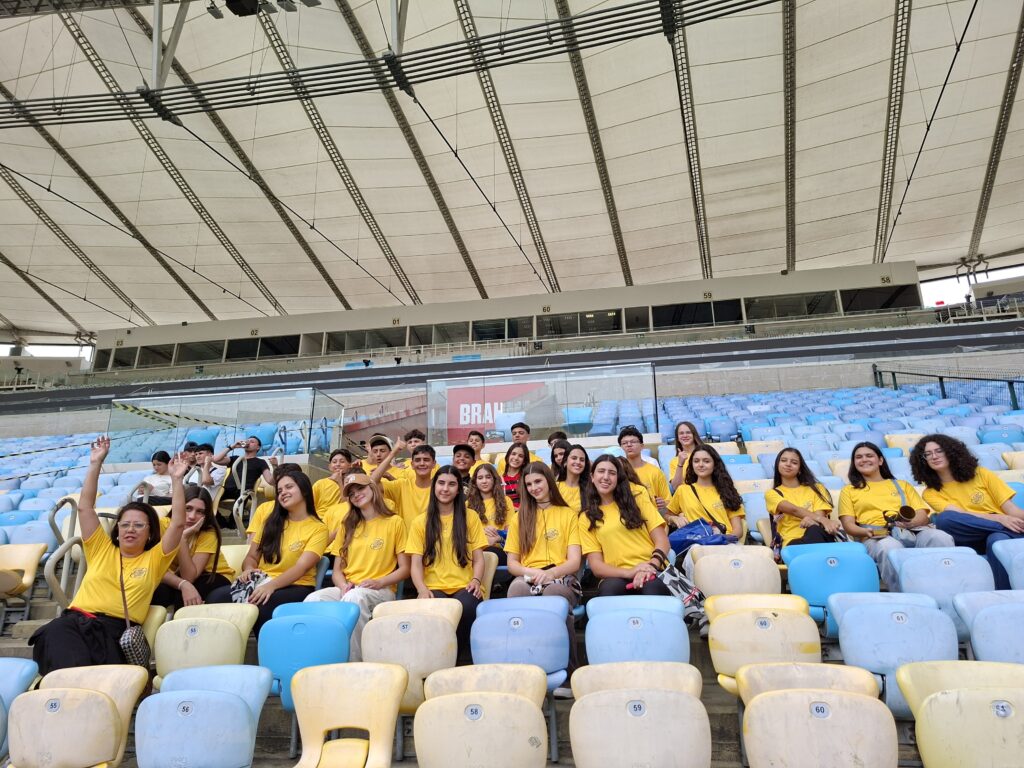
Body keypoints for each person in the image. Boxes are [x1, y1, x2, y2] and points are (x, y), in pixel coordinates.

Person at [29, 437, 186, 674]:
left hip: (113, 633)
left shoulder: (155, 559)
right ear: (117, 529)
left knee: (75, 660)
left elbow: (178, 524)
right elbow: (85, 508)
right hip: (74, 623)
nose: (130, 529)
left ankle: (72, 686)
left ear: (150, 533)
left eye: (139, 525)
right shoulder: (100, 548)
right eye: (125, 524)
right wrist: (95, 464)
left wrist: (177, 480)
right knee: (56, 630)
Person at [207, 470, 327, 635]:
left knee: (262, 604)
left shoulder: (318, 528)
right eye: (280, 490)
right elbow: (251, 557)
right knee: (215, 598)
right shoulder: (270, 523)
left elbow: (301, 568)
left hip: (296, 585)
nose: (283, 492)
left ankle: (264, 650)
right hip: (262, 581)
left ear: (304, 490)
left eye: (289, 487)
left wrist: (271, 586)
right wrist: (249, 569)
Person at [304, 474, 409, 660]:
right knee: (313, 599)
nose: (356, 495)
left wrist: (379, 582)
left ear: (372, 488)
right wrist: (343, 586)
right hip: (350, 588)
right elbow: (337, 571)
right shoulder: (347, 525)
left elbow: (405, 569)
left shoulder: (395, 522)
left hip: (381, 589)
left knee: (355, 598)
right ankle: (320, 658)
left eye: (360, 489)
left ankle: (353, 662)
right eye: (351, 493)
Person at [505, 462, 581, 696]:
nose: (534, 488)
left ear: (548, 480)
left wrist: (551, 574)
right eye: (528, 484)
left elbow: (574, 561)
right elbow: (512, 563)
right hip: (529, 575)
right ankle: (523, 672)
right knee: (516, 591)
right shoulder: (519, 517)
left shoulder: (568, 514)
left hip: (561, 576)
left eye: (538, 481)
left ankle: (568, 675)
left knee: (553, 595)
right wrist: (531, 574)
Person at [910, 434, 1024, 589]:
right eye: (927, 454)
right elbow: (960, 515)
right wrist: (1000, 519)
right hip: (969, 533)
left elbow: (1010, 509)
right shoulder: (930, 493)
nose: (934, 456)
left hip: (999, 530)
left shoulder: (981, 474)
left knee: (997, 540)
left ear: (951, 451)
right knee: (945, 519)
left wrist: (1011, 520)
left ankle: (1005, 593)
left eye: (939, 451)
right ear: (923, 460)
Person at [838, 441, 954, 587]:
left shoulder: (902, 485)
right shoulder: (849, 490)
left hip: (911, 531)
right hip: (876, 536)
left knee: (940, 537)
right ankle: (904, 592)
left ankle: (944, 586)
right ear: (854, 463)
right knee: (889, 546)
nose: (864, 459)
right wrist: (866, 532)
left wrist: (910, 523)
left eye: (869, 455)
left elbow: (922, 515)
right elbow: (848, 525)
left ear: (880, 460)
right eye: (859, 457)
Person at [405, 466, 487, 664]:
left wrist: (476, 580)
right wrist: (422, 589)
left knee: (467, 605)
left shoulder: (470, 517)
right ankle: (440, 663)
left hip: (464, 585)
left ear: (458, 490)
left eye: (451, 484)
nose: (445, 489)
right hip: (433, 587)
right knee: (437, 610)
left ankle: (461, 662)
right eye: (441, 483)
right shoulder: (420, 522)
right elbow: (415, 564)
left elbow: (479, 558)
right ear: (434, 487)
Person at [580, 454, 671, 597]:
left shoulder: (638, 500)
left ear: (618, 478)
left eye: (612, 473)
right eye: (601, 471)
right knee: (610, 591)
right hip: (615, 575)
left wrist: (650, 566)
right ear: (592, 476)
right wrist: (629, 572)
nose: (606, 477)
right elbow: (596, 566)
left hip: (651, 568)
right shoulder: (586, 517)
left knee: (652, 588)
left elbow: (662, 541)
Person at [151, 486, 233, 609]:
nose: (192, 516)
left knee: (183, 596)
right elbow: (154, 568)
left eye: (200, 511)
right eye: (188, 508)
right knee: (157, 591)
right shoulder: (163, 525)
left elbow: (189, 576)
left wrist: (182, 538)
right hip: (177, 575)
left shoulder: (208, 533)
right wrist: (182, 584)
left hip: (213, 575)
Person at [765, 448, 842, 548]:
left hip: (818, 536)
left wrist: (815, 520)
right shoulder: (772, 494)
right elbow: (794, 510)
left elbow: (819, 518)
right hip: (791, 542)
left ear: (800, 469)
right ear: (777, 465)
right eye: (783, 460)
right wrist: (819, 519)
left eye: (794, 462)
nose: (788, 464)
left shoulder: (817, 488)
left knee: (814, 530)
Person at [666, 445, 746, 536]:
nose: (700, 465)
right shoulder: (683, 490)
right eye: (696, 461)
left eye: (706, 461)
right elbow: (667, 515)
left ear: (715, 464)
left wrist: (721, 540)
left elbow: (738, 530)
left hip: (725, 539)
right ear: (692, 465)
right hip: (696, 541)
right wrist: (674, 518)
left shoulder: (727, 491)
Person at [213, 436, 275, 524]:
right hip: (226, 490)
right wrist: (232, 447)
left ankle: (233, 523)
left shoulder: (260, 462)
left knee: (242, 496)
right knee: (207, 497)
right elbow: (216, 460)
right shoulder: (236, 459)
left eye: (252, 442)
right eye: (247, 441)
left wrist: (275, 466)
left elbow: (270, 481)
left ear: (258, 447)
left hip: (244, 491)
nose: (248, 443)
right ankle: (221, 521)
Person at [377, 440, 437, 528]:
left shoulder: (440, 488)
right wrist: (393, 453)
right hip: (406, 537)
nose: (422, 463)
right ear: (412, 464)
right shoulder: (402, 485)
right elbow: (372, 482)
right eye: (417, 460)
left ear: (434, 464)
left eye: (426, 460)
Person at [618, 426, 669, 513]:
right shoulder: (618, 472)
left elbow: (668, 501)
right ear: (621, 447)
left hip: (653, 516)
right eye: (624, 443)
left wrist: (663, 503)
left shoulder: (655, 471)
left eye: (633, 442)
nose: (629, 445)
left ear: (642, 446)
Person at [311, 449, 358, 515]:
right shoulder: (320, 484)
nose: (338, 464)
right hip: (320, 519)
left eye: (342, 461)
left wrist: (340, 482)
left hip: (340, 519)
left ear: (349, 465)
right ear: (329, 466)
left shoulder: (351, 484)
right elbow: (309, 507)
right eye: (334, 462)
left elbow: (347, 505)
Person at [669, 421, 704, 491]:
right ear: (678, 438)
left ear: (694, 435)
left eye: (688, 432)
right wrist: (680, 464)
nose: (685, 435)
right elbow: (675, 487)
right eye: (681, 433)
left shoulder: (706, 454)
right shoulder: (674, 461)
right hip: (685, 495)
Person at [556, 444, 591, 512]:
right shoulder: (555, 488)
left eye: (582, 460)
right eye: (574, 458)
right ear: (565, 462)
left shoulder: (590, 488)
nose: (578, 462)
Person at [502, 444, 529, 508]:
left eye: (520, 456)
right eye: (513, 454)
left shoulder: (527, 477)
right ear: (508, 456)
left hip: (525, 512)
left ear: (524, 461)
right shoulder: (499, 480)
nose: (516, 458)